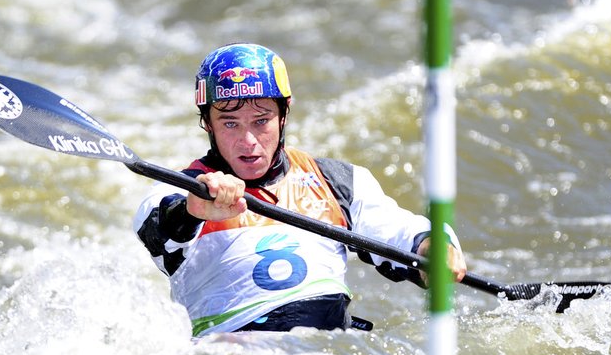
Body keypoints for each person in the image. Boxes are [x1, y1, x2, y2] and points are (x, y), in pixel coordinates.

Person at [133, 43, 466, 337]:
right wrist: (195, 209)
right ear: (207, 122)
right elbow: (157, 232)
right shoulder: (182, 189)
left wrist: (433, 247)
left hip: (328, 350)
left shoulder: (338, 181)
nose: (248, 142)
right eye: (230, 124)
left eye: (261, 121)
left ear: (284, 114)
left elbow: (402, 231)